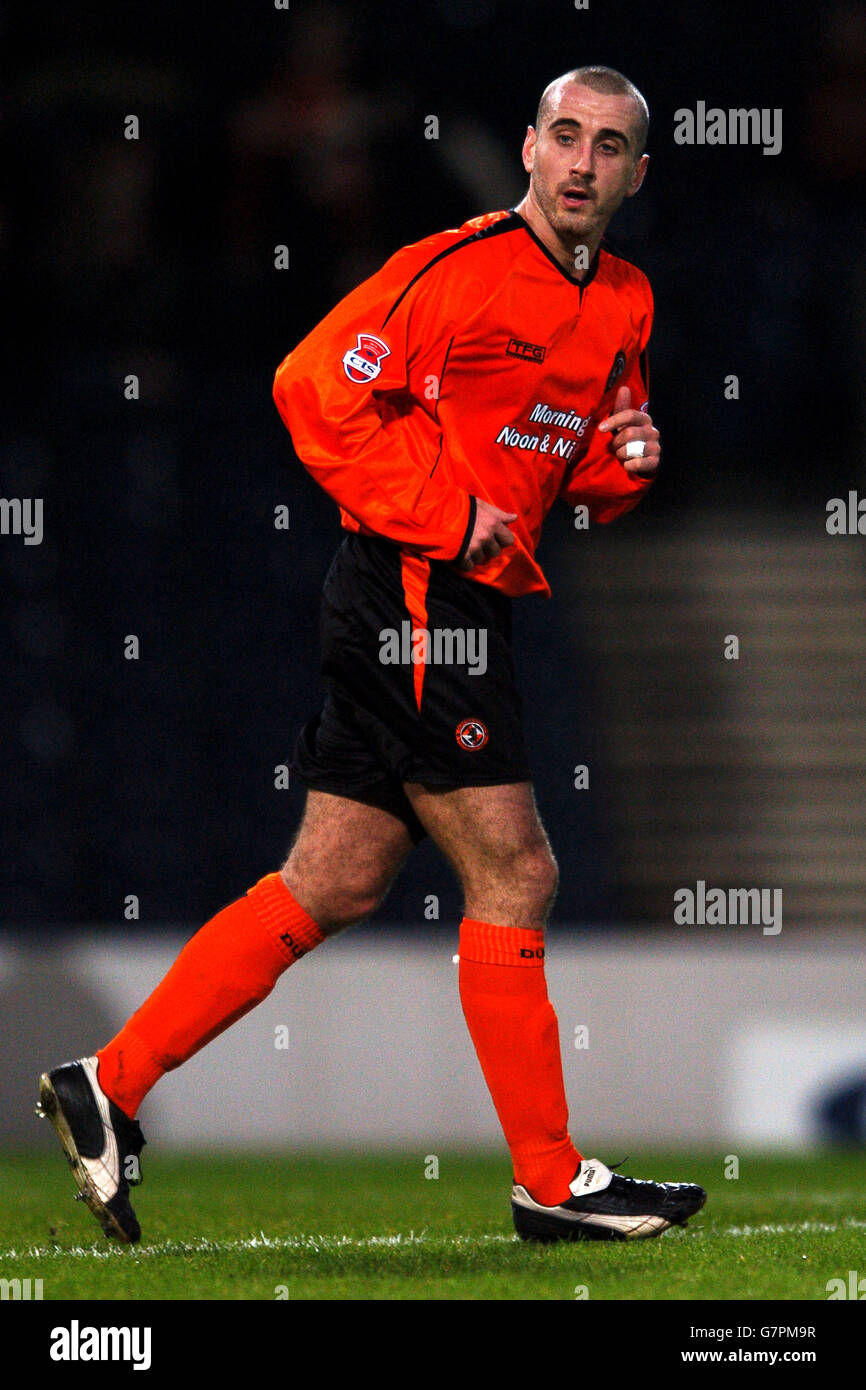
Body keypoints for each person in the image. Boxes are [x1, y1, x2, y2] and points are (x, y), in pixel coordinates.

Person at [38, 66, 706, 1246]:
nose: (582, 164)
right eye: (564, 137)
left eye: (608, 147)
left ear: (634, 173)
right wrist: (447, 522)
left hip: (466, 595)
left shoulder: (625, 302)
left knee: (335, 878)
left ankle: (112, 1081)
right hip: (412, 587)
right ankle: (550, 1183)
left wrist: (629, 464)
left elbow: (577, 469)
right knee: (517, 872)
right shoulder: (452, 268)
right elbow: (309, 389)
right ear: (530, 153)